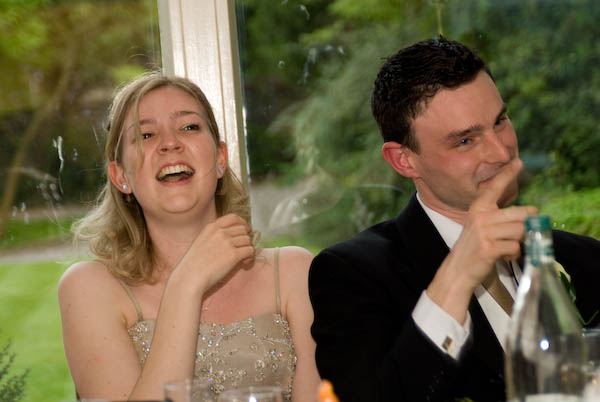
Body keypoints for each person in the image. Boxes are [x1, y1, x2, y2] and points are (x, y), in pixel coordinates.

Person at [308, 37, 600, 401]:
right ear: (404, 160)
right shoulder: (353, 276)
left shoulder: (584, 258)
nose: (501, 151)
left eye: (500, 121)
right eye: (465, 141)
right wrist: (459, 275)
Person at [58, 72, 320, 401]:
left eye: (189, 127)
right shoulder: (89, 288)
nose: (170, 143)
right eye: (146, 134)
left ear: (221, 158)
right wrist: (186, 282)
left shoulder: (295, 272)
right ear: (120, 176)